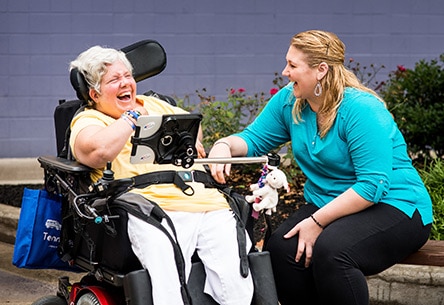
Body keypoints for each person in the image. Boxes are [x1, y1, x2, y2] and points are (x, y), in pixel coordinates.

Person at [208, 30, 432, 305]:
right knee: (282, 248)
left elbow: (373, 185)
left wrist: (316, 222)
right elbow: (253, 139)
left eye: (292, 65)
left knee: (334, 252)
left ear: (321, 70)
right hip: (331, 201)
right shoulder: (291, 101)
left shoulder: (361, 109)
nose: (285, 72)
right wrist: (223, 146)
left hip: (395, 205)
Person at [69, 45, 253, 305]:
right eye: (114, 80)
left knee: (236, 278)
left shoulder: (155, 104)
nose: (125, 83)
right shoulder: (90, 119)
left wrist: (190, 139)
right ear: (94, 94)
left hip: (206, 203)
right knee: (169, 283)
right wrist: (131, 118)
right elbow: (97, 150)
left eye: (127, 76)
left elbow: (194, 127)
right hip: (148, 209)